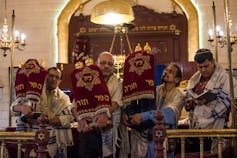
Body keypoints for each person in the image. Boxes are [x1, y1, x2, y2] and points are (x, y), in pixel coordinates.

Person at [11, 66, 74, 158]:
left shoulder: (64, 98)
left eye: (57, 77)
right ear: (45, 77)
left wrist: (48, 121)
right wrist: (22, 108)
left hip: (56, 141)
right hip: (32, 140)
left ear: (60, 81)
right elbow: (12, 108)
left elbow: (70, 117)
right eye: (51, 76)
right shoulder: (33, 91)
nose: (53, 79)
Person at [185, 48, 237, 153]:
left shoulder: (225, 78)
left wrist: (209, 102)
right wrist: (192, 103)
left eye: (206, 66)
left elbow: (228, 100)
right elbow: (188, 97)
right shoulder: (194, 80)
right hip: (197, 127)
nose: (203, 70)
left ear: (213, 62)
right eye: (200, 67)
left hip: (218, 126)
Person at [129, 63, 184, 158]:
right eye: (166, 70)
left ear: (177, 79)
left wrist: (142, 116)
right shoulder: (155, 90)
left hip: (166, 138)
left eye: (170, 72)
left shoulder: (179, 95)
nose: (166, 72)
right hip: (148, 136)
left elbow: (169, 114)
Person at [97, 52, 123, 158]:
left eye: (110, 64)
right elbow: (76, 104)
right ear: (97, 64)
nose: (106, 66)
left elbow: (115, 103)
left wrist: (103, 116)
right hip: (89, 131)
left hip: (110, 128)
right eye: (103, 63)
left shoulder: (119, 82)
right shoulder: (87, 80)